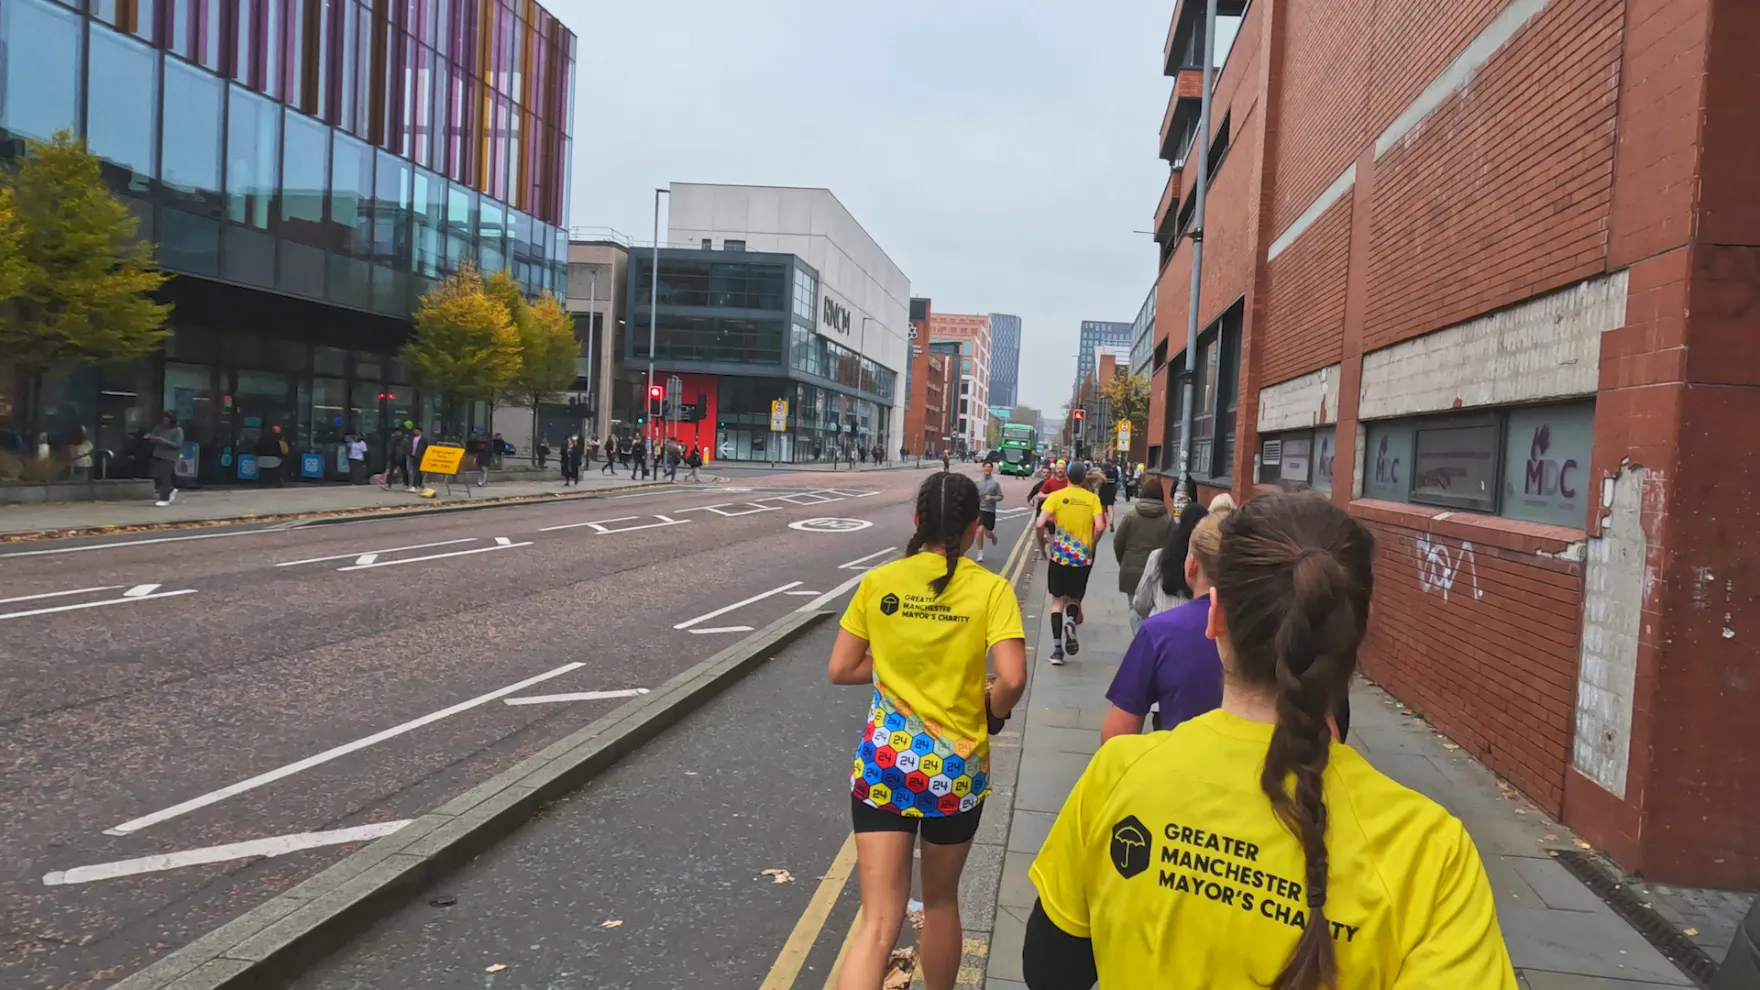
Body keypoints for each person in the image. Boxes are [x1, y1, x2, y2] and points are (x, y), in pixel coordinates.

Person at [1023, 491, 1517, 990]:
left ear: (1213, 617)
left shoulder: (1118, 775)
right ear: (1357, 632)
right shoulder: (1431, 854)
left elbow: (1049, 971)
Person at [828, 472, 1029, 990]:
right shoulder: (991, 589)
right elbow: (1011, 677)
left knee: (877, 921)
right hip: (954, 770)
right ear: (970, 531)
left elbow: (842, 668)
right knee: (940, 903)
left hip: (885, 765)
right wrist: (993, 711)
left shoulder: (879, 583)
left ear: (918, 522)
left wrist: (896, 668)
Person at [1101, 498, 1234, 743]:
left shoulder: (1160, 632)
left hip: (1179, 770)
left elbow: (1115, 736)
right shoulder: (1280, 628)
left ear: (1192, 565)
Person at [1035, 461, 1106, 666]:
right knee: (1074, 600)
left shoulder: (1057, 497)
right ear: (1084, 478)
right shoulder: (1092, 499)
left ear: (1066, 476)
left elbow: (1040, 523)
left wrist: (1046, 539)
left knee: (1057, 602)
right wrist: (1092, 544)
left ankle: (1057, 651)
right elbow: (1100, 526)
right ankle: (1070, 621)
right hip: (1082, 558)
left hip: (1059, 556)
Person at [1111, 475, 1173, 635]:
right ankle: (1146, 641)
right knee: (1152, 608)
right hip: (1156, 572)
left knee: (1134, 607)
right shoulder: (1167, 520)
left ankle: (1139, 639)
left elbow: (1118, 542)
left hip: (1131, 569)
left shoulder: (1131, 516)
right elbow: (1171, 547)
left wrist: (1124, 562)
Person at [147, 412, 182, 506]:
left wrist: (163, 441)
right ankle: (170, 489)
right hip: (158, 454)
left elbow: (177, 444)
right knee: (155, 475)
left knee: (165, 477)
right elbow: (152, 437)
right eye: (163, 419)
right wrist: (151, 438)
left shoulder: (177, 430)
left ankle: (164, 499)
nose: (164, 422)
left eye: (167, 420)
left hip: (170, 456)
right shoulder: (159, 428)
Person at [974, 460, 1004, 564]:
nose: (987, 468)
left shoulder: (995, 483)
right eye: (985, 467)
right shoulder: (977, 481)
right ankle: (980, 553)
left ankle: (992, 535)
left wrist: (991, 497)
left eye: (989, 467)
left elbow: (1000, 497)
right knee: (980, 530)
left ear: (991, 469)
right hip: (979, 509)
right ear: (983, 468)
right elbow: (972, 494)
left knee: (988, 533)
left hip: (990, 510)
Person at [1098, 461, 1122, 530]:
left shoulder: (1102, 474)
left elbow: (1099, 482)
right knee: (1110, 506)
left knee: (1102, 507)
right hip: (1111, 491)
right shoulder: (1114, 474)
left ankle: (1103, 522)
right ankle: (1111, 521)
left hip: (1103, 491)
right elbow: (1116, 482)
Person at [406, 426, 427, 491]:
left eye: (416, 430)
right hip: (412, 455)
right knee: (417, 470)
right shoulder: (412, 438)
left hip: (419, 456)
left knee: (416, 470)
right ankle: (421, 484)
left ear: (419, 431)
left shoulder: (423, 439)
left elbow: (425, 448)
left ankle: (414, 485)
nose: (414, 432)